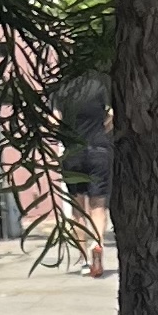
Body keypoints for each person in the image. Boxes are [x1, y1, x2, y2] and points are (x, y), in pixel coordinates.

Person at [59, 71, 111, 278]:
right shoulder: (98, 87)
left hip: (73, 153)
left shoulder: (62, 92)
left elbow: (54, 121)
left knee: (78, 209)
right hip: (98, 149)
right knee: (98, 206)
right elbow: (111, 114)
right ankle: (97, 246)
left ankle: (84, 259)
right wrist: (101, 129)